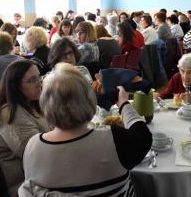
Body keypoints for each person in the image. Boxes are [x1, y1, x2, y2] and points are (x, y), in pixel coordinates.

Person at [18, 63, 152, 196]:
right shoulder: (114, 139)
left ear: (45, 103)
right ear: (89, 100)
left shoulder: (32, 147)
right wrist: (123, 103)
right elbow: (144, 137)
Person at [0, 60, 51, 197]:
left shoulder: (28, 104)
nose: (39, 83)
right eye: (31, 80)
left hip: (35, 177)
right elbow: (34, 154)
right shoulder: (9, 113)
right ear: (15, 87)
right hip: (21, 186)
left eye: (39, 77)